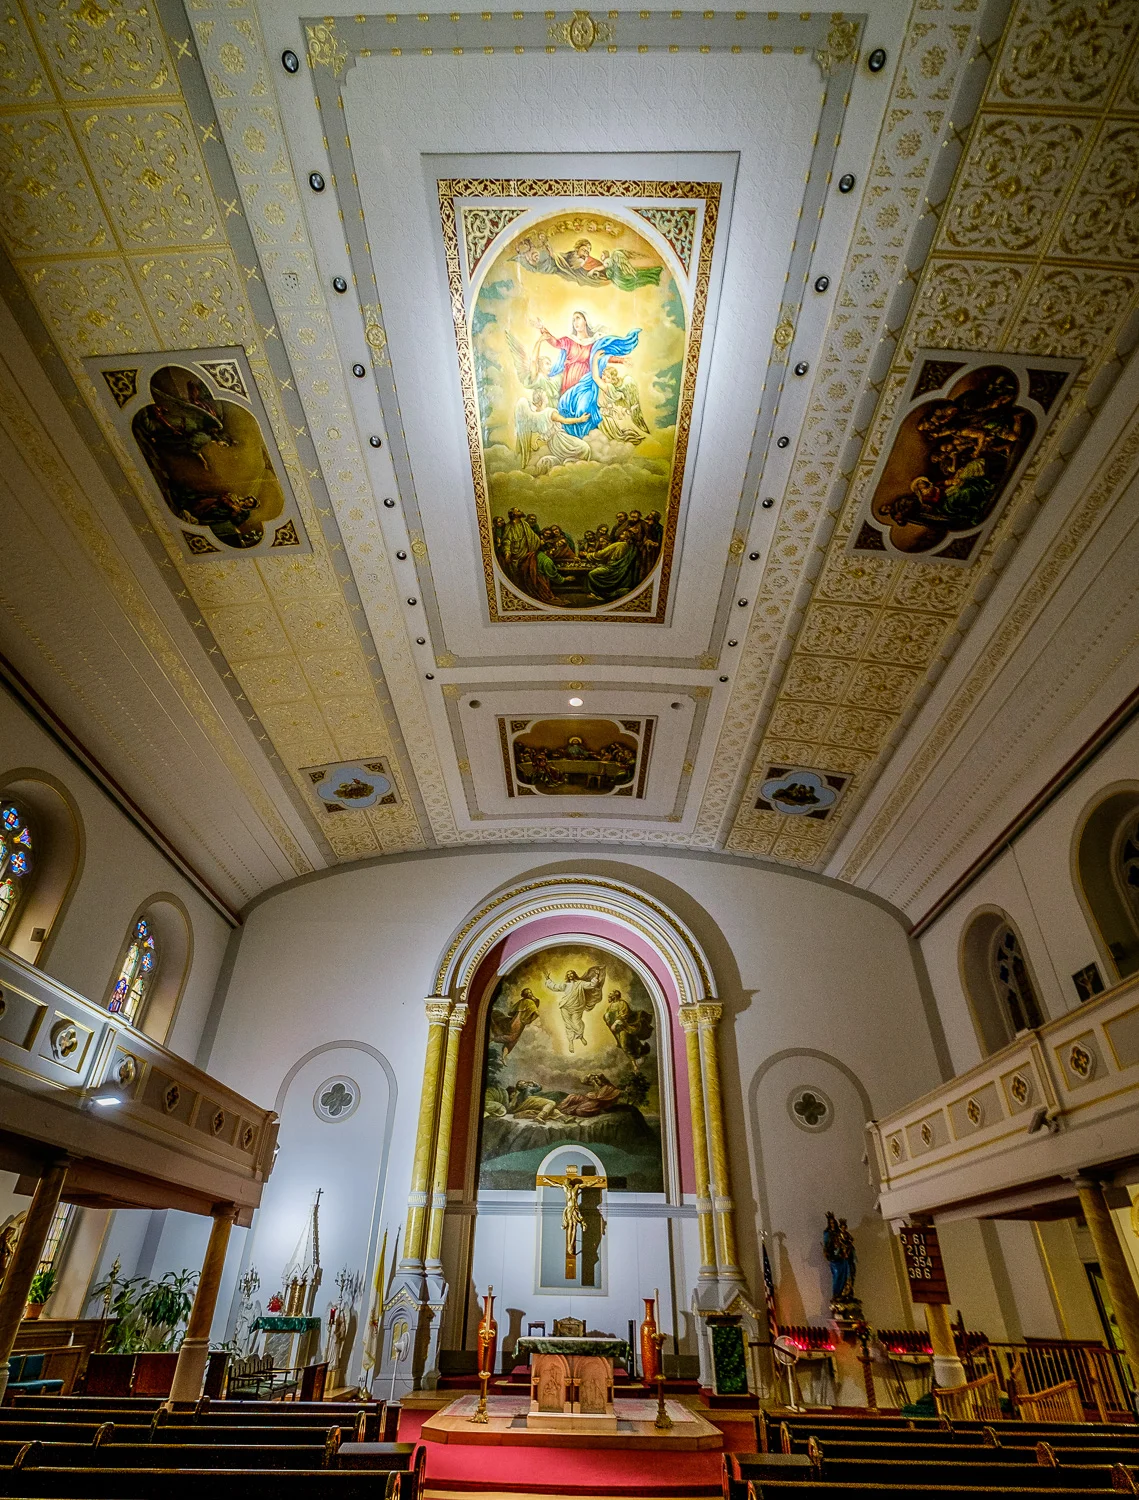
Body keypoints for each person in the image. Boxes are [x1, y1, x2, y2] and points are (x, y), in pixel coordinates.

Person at [545, 965, 606, 1052]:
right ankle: (570, 1042)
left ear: (574, 974)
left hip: (577, 1007)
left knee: (577, 1024)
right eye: (568, 974)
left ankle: (580, 1036)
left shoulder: (580, 983)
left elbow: (592, 985)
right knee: (568, 1025)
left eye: (571, 974)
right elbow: (554, 987)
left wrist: (596, 976)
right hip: (565, 1007)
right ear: (567, 976)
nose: (570, 975)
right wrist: (548, 979)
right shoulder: (565, 985)